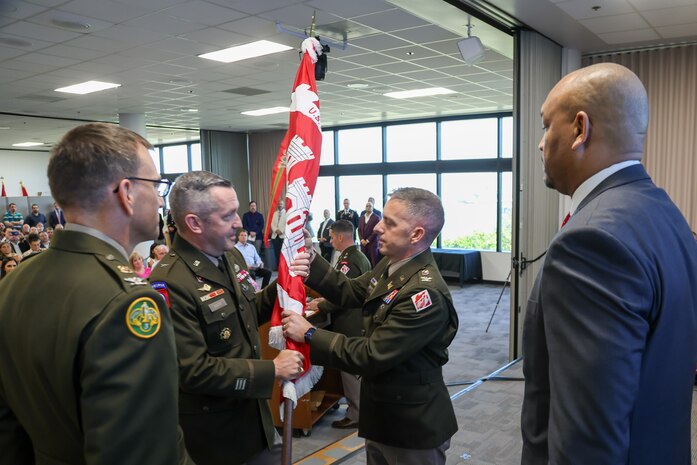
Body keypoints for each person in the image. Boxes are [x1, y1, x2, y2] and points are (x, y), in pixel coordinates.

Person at [521, 63, 697, 465]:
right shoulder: (665, 213)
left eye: (546, 126)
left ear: (580, 129)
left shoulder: (590, 241)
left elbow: (588, 439)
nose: (540, 143)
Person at [0, 122, 191, 464]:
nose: (160, 198)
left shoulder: (14, 283)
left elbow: (7, 429)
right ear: (127, 193)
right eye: (157, 184)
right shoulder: (127, 303)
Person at [282, 187, 459, 465]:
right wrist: (312, 256)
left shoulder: (423, 294)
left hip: (411, 427)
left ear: (416, 235)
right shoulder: (392, 264)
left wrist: (309, 334)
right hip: (383, 415)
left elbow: (371, 354)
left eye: (389, 223)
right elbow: (350, 291)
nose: (377, 227)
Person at [149, 170, 305, 465]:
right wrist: (270, 370)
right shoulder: (170, 282)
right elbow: (192, 370)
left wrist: (285, 280)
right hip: (216, 438)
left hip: (254, 422)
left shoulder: (230, 256)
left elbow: (247, 311)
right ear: (194, 223)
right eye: (228, 215)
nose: (239, 223)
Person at [307, 219, 371, 429]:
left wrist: (321, 306)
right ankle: (358, 408)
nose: (331, 240)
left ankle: (356, 414)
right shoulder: (357, 256)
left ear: (341, 237)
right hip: (356, 320)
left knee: (350, 370)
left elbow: (342, 294)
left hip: (350, 322)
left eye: (333, 237)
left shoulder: (348, 261)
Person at [358, 201, 381, 267]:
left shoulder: (376, 218)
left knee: (374, 262)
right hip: (363, 244)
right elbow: (359, 230)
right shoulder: (361, 217)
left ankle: (375, 276)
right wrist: (362, 240)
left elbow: (375, 231)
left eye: (370, 206)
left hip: (372, 243)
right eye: (367, 206)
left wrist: (367, 240)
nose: (368, 207)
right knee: (364, 262)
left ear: (373, 207)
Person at [270, 201, 286, 271]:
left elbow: (287, 224)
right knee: (276, 253)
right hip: (275, 236)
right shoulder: (275, 213)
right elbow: (272, 223)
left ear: (283, 205)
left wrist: (281, 231)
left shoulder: (287, 213)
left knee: (283, 253)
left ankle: (283, 267)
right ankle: (278, 267)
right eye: (279, 204)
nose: (280, 205)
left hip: (283, 236)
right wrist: (276, 230)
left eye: (281, 204)